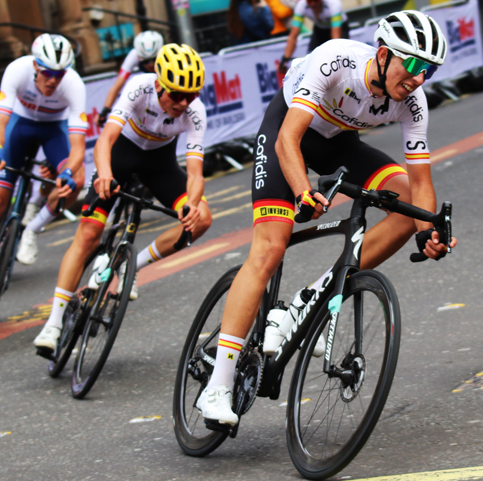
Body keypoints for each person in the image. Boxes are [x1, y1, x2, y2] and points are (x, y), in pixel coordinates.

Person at [195, 10, 457, 426]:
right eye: (412, 65)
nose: (418, 78)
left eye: (428, 69)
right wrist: (303, 190)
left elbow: (421, 183)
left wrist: (428, 232)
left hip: (339, 143)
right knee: (270, 247)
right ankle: (218, 386)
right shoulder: (337, 60)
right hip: (287, 133)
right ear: (385, 55)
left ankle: (308, 299)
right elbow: (288, 139)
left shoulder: (412, 100)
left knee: (406, 204)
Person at [32, 44, 212, 352]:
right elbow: (106, 140)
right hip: (119, 158)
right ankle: (54, 322)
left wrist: (192, 204)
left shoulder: (195, 112)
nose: (183, 102)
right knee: (88, 234)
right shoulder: (138, 88)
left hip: (160, 166)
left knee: (203, 219)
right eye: (177, 94)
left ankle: (132, 267)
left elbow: (195, 173)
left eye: (191, 95)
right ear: (159, 83)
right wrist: (104, 173)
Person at [0, 34, 88, 311]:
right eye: (48, 73)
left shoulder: (73, 85)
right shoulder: (17, 69)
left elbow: (77, 148)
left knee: (78, 182)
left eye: (59, 75)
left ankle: (31, 231)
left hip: (54, 131)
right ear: (36, 66)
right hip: (19, 126)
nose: (53, 80)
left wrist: (68, 172)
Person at [96, 30, 164, 128]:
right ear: (139, 56)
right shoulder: (133, 55)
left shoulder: (167, 54)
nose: (151, 64)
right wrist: (104, 111)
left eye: (154, 59)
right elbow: (117, 87)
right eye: (145, 61)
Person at [278, 0, 348, 74]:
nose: (313, 4)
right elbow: (293, 36)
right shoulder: (301, 6)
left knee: (339, 54)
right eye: (309, 1)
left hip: (339, 27)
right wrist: (285, 59)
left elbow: (335, 38)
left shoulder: (333, 4)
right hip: (320, 28)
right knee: (311, 57)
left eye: (316, 1)